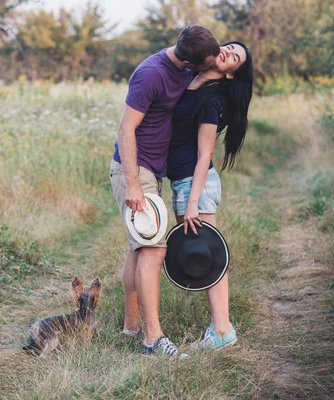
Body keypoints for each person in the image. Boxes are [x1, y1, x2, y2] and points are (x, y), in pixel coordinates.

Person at [109, 25, 220, 358]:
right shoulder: (150, 75)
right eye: (207, 64)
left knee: (139, 247)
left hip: (154, 172)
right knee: (154, 249)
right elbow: (126, 128)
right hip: (135, 168)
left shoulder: (186, 69)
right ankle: (153, 340)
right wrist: (132, 182)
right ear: (190, 62)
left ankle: (131, 327)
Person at [167, 41, 254, 350]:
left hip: (196, 183)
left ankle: (222, 330)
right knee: (200, 252)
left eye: (235, 58)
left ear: (231, 74)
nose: (228, 53)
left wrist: (193, 201)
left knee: (207, 254)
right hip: (183, 180)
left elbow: (205, 154)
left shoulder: (213, 100)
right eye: (229, 47)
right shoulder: (191, 76)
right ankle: (221, 327)